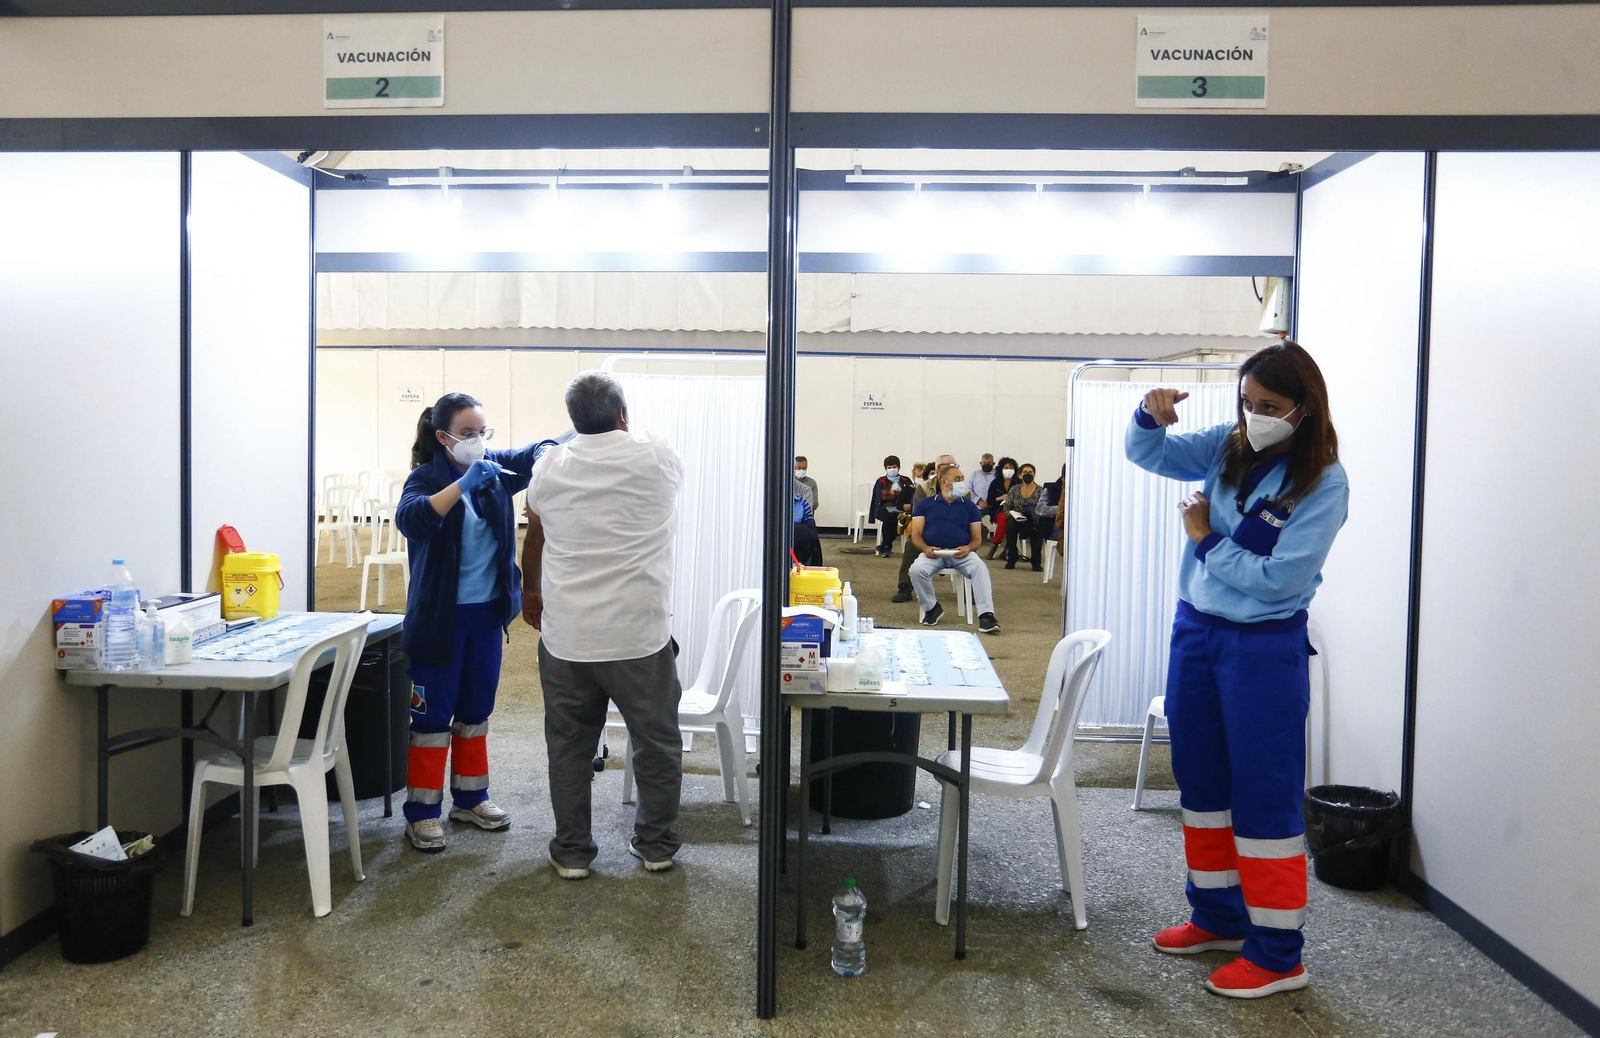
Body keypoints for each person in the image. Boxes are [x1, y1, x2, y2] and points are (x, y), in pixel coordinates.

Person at [1126, 341, 1347, 1000]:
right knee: (1201, 779)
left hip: (1263, 648)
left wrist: (1204, 540)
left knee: (1263, 791)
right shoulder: (1230, 445)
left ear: (1305, 408)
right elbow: (1150, 455)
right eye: (1248, 402)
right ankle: (1218, 916)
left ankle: (1278, 954)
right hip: (1197, 632)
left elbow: (1277, 582)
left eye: (1270, 406)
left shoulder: (1324, 484)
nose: (1255, 416)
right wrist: (1148, 415)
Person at [522, 371, 687, 879]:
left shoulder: (550, 467)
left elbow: (535, 533)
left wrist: (531, 591)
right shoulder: (657, 456)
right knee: (657, 744)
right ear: (623, 414)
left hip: (569, 636)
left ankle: (572, 851)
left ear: (572, 420)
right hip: (639, 636)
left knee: (569, 748)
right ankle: (656, 846)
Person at [394, 392, 558, 853]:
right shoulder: (426, 478)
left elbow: (537, 449)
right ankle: (422, 813)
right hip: (439, 621)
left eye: (483, 432)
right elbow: (412, 520)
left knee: (475, 712)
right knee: (431, 719)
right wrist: (462, 485)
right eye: (467, 434)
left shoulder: (494, 467)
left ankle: (470, 799)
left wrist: (545, 454)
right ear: (443, 437)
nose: (478, 441)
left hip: (485, 617)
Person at [909, 465, 1001, 634]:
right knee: (916, 570)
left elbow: (977, 538)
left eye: (962, 479)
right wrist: (925, 548)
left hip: (962, 553)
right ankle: (932, 608)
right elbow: (916, 534)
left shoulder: (969, 507)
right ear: (944, 482)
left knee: (980, 568)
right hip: (933, 553)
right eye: (957, 479)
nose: (961, 483)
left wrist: (968, 548)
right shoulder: (925, 505)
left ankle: (986, 616)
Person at [892, 454, 955, 603]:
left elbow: (965, 516)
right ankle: (904, 587)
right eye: (949, 466)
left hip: (954, 533)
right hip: (929, 532)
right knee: (912, 545)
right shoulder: (923, 489)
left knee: (971, 547)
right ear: (939, 469)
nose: (953, 470)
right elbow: (919, 515)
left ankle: (971, 589)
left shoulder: (961, 488)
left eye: (955, 466)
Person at [1001, 462, 1049, 571]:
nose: (1028, 474)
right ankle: (1012, 558)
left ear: (1034, 475)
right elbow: (1006, 507)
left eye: (1030, 472)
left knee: (1037, 528)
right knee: (1010, 525)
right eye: (1025, 472)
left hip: (1034, 519)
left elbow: (1043, 508)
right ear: (1020, 475)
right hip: (1017, 520)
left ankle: (1036, 562)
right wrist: (1012, 514)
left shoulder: (1040, 490)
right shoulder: (1014, 489)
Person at [871, 456, 911, 558]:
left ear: (899, 467)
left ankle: (885, 545)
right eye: (889, 467)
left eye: (894, 467)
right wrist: (892, 494)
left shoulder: (905, 480)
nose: (892, 469)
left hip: (901, 508)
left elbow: (911, 494)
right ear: (885, 468)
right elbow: (878, 497)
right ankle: (886, 545)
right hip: (884, 508)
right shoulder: (881, 481)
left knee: (898, 518)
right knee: (889, 517)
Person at [984, 457, 1018, 560]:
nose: (1008, 470)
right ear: (1001, 469)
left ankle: (1005, 548)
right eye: (1006, 468)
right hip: (999, 510)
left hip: (1015, 509)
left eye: (1011, 468)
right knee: (1004, 518)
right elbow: (989, 501)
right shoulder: (995, 483)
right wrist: (1000, 498)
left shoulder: (1018, 482)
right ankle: (996, 545)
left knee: (1010, 520)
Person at [793, 489, 824, 567]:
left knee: (807, 531)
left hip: (798, 541)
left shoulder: (801, 501)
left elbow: (810, 524)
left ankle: (802, 564)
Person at [969, 454, 998, 518]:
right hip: (978, 507)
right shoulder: (974, 474)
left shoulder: (998, 475)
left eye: (989, 463)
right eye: (984, 463)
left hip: (995, 506)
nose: (986, 464)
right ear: (980, 463)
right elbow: (970, 490)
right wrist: (979, 501)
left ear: (993, 464)